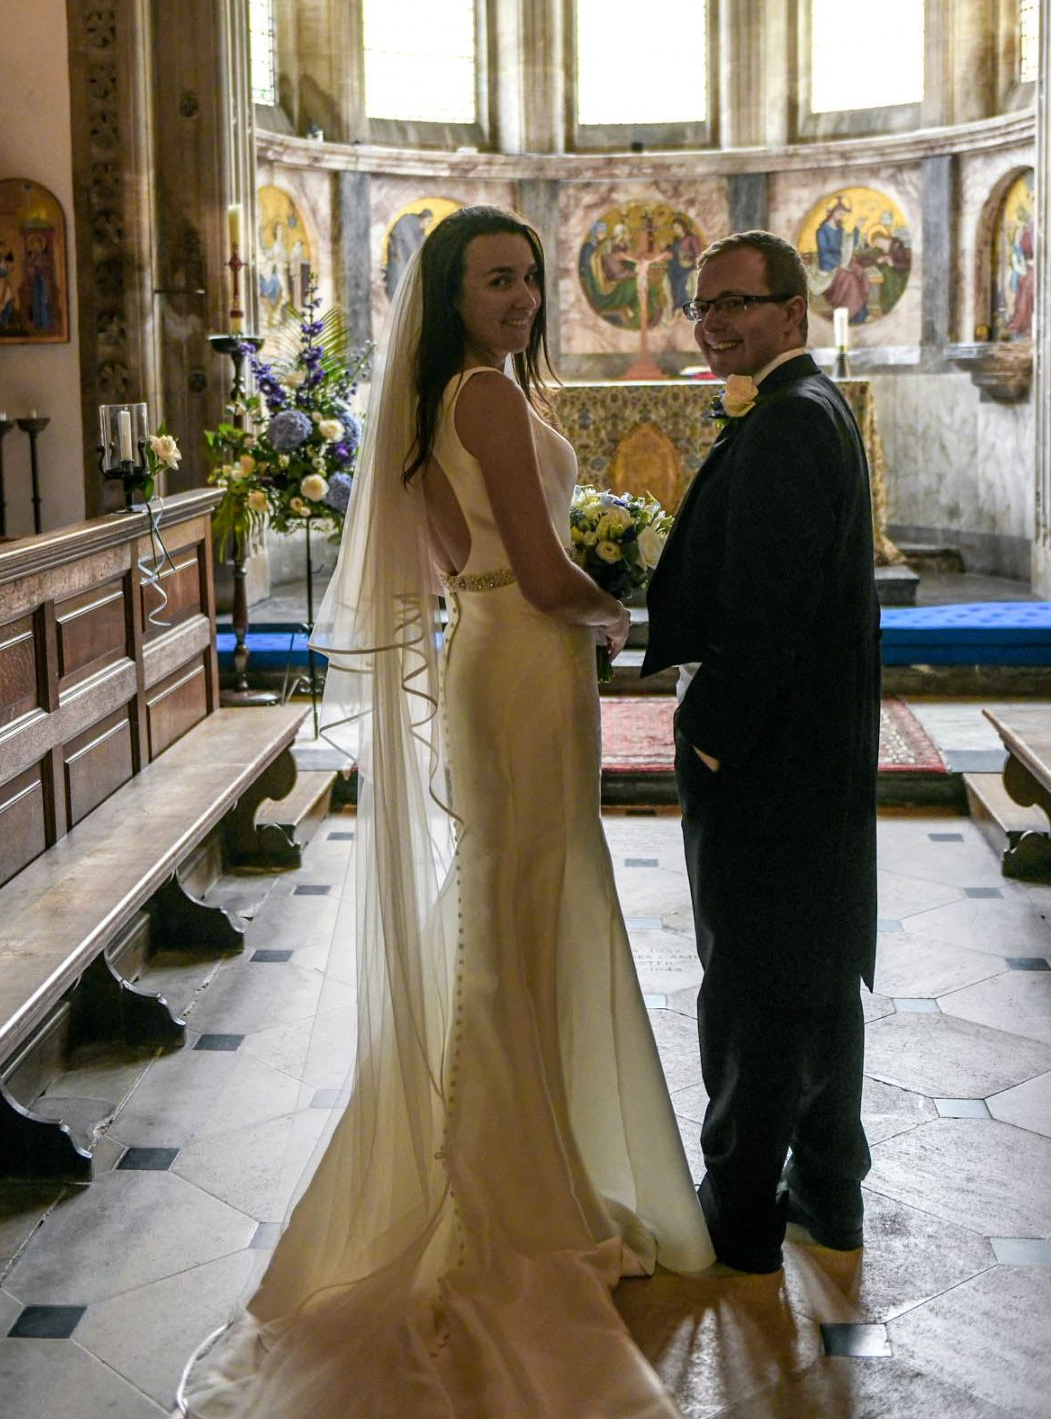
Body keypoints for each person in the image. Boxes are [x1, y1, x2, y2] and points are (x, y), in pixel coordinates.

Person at [181, 206, 713, 1418]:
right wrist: (622, 612)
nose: (522, 299)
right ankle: (495, 1197)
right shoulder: (485, 397)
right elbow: (542, 569)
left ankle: (525, 1165)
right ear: (451, 294)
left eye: (530, 278)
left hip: (493, 651)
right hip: (524, 661)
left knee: (507, 905)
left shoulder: (436, 401)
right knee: (515, 909)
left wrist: (556, 595)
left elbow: (453, 559)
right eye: (496, 281)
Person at [642, 230, 879, 1276]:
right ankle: (829, 1186)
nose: (716, 323)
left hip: (770, 762)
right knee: (814, 977)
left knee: (750, 987)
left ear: (793, 311)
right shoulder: (807, 406)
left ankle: (740, 1211)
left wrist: (711, 738)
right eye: (704, 306)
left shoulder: (786, 421)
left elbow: (767, 612)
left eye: (737, 302)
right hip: (813, 757)